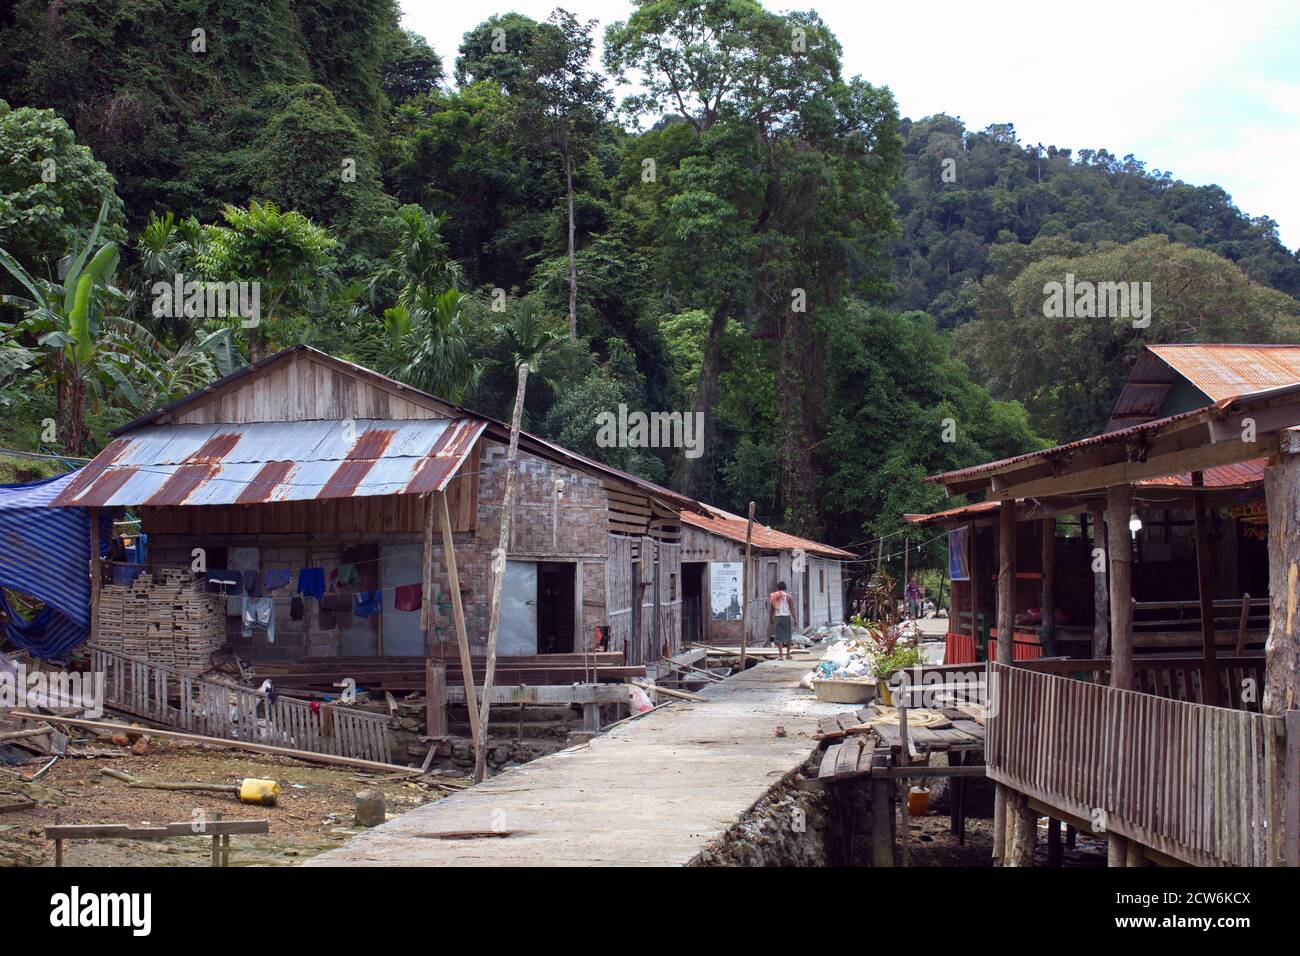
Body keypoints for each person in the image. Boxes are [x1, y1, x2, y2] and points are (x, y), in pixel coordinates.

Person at [768, 580, 797, 660]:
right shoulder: (788, 596)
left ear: (778, 588)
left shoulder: (774, 596)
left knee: (779, 637)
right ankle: (788, 654)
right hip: (787, 618)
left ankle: (780, 655)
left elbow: (772, 609)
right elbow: (792, 609)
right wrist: (795, 619)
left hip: (778, 618)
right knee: (788, 637)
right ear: (785, 588)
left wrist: (771, 618)